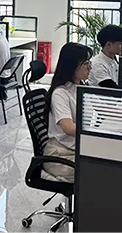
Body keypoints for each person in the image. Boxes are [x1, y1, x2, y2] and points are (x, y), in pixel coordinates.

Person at [43, 42, 92, 182]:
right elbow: (68, 128)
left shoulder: (80, 86)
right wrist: (95, 131)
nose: (90, 67)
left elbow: (101, 108)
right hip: (61, 155)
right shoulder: (61, 93)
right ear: (72, 66)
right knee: (103, 171)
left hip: (77, 148)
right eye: (86, 63)